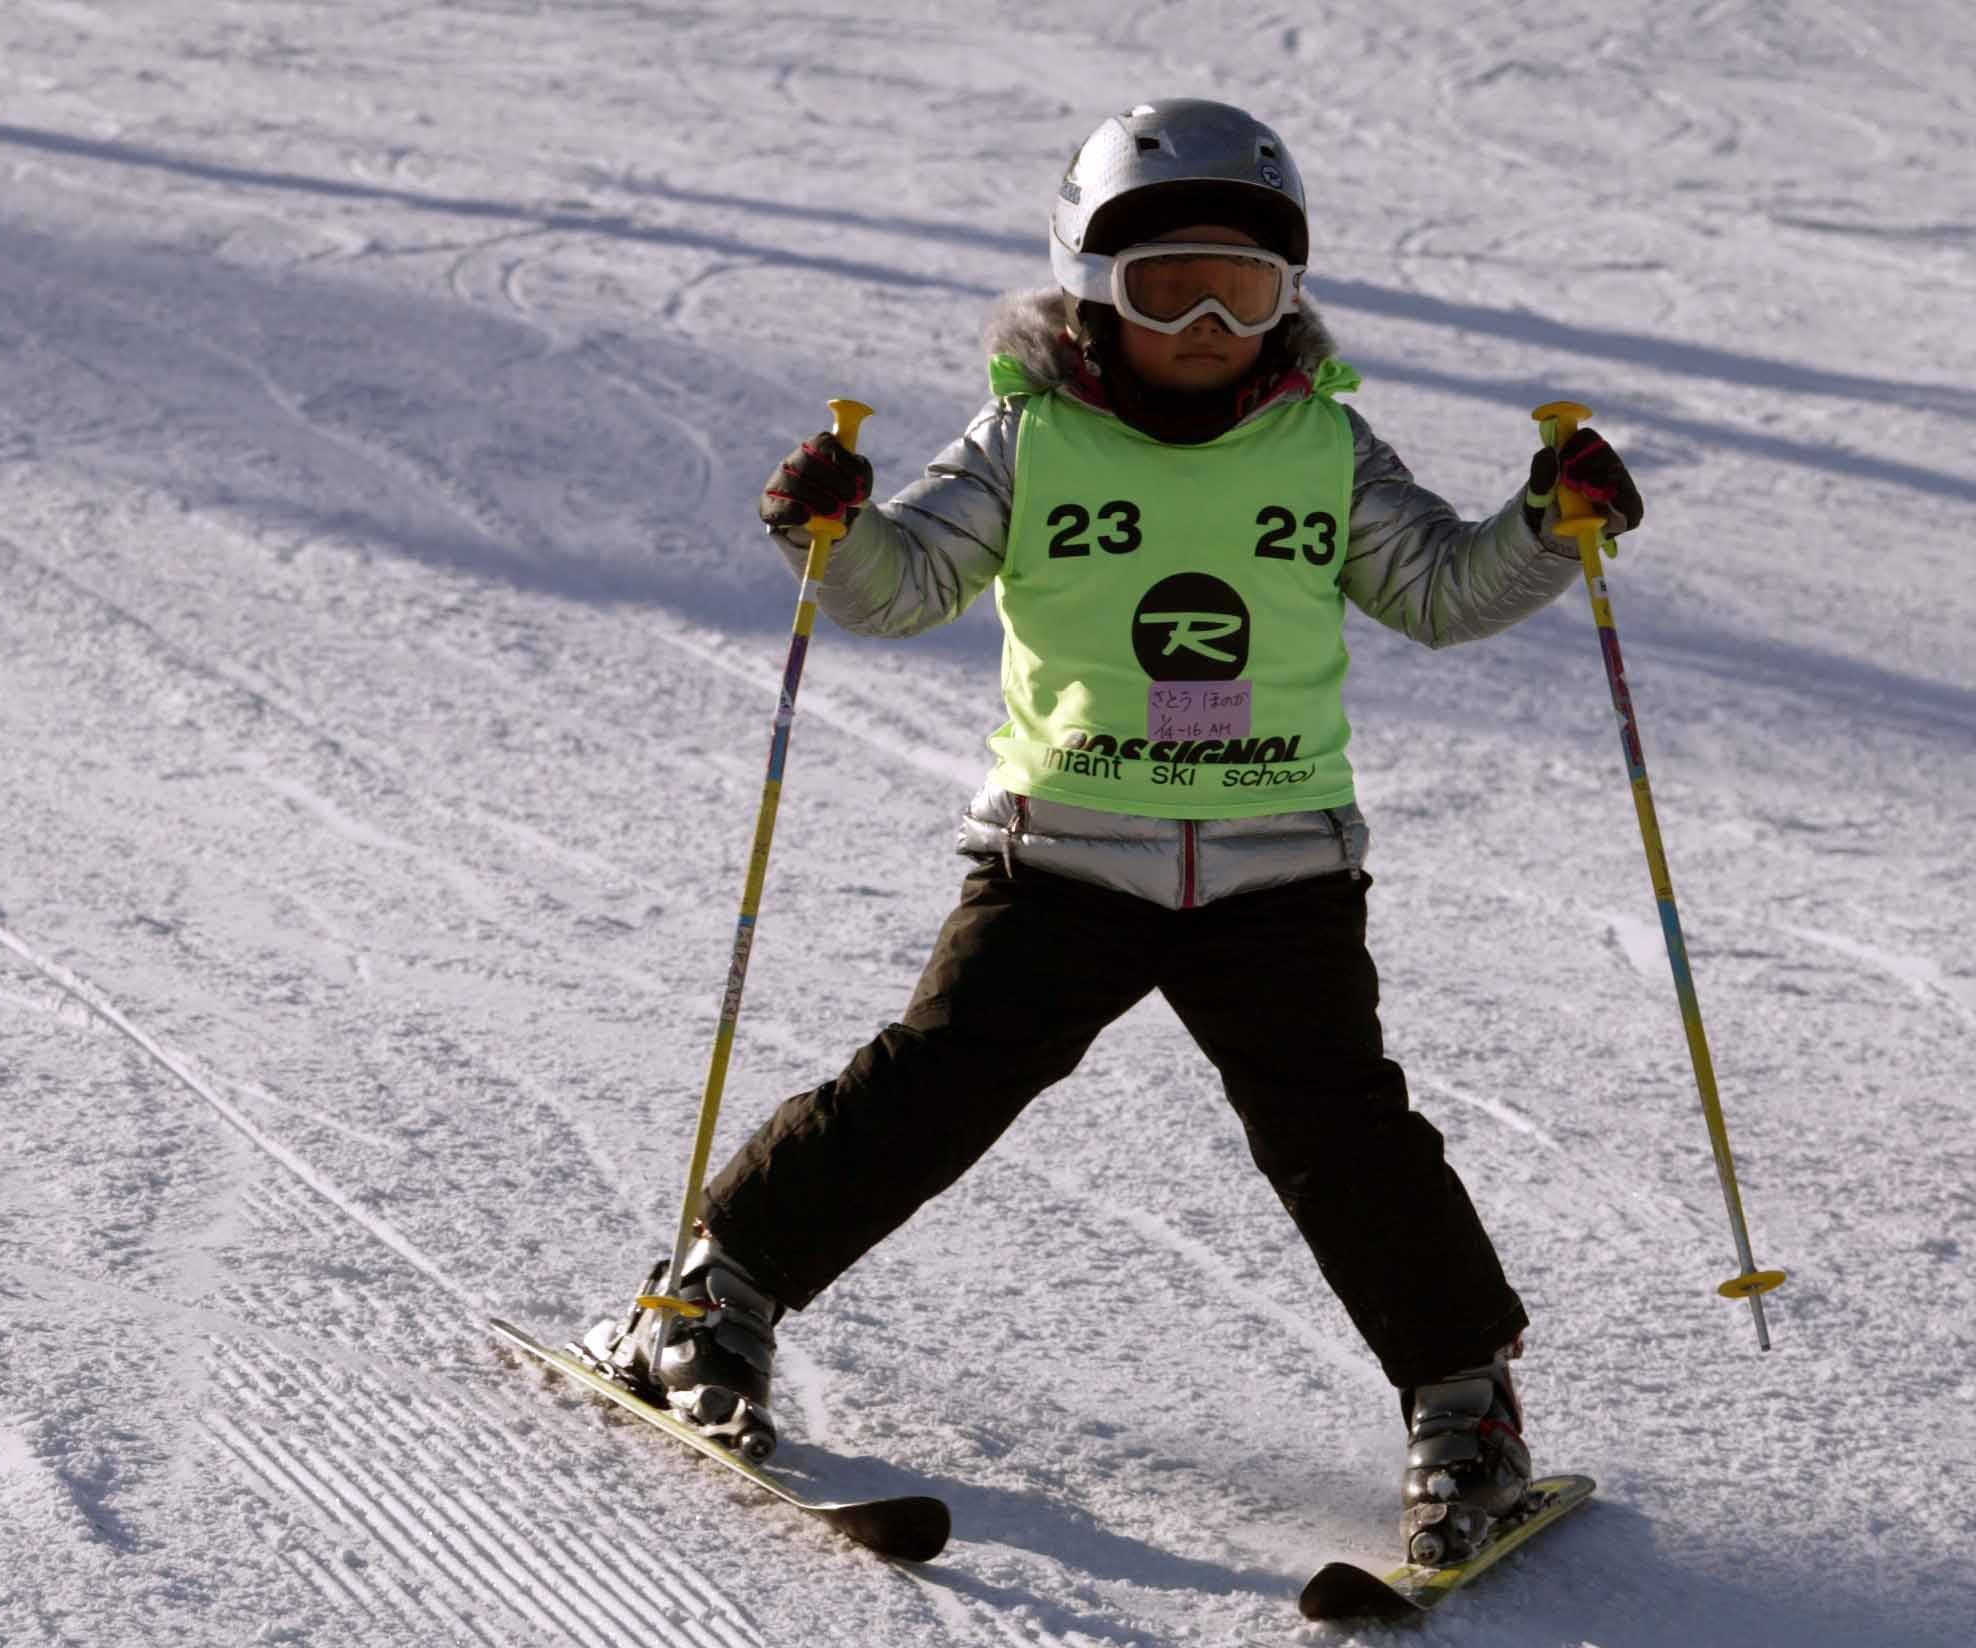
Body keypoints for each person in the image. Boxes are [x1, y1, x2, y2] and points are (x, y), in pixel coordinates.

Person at [583, 98, 1642, 1565]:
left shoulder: (1325, 448)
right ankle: (704, 1301)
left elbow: (1440, 592)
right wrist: (832, 530)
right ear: (1091, 288)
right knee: (932, 1087)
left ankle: (1467, 1408)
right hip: (1064, 856)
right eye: (1166, 288)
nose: (1209, 324)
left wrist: (1543, 526)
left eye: (1245, 290)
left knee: (1346, 1136)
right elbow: (903, 585)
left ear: (1289, 296)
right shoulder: (1029, 442)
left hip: (1279, 866)